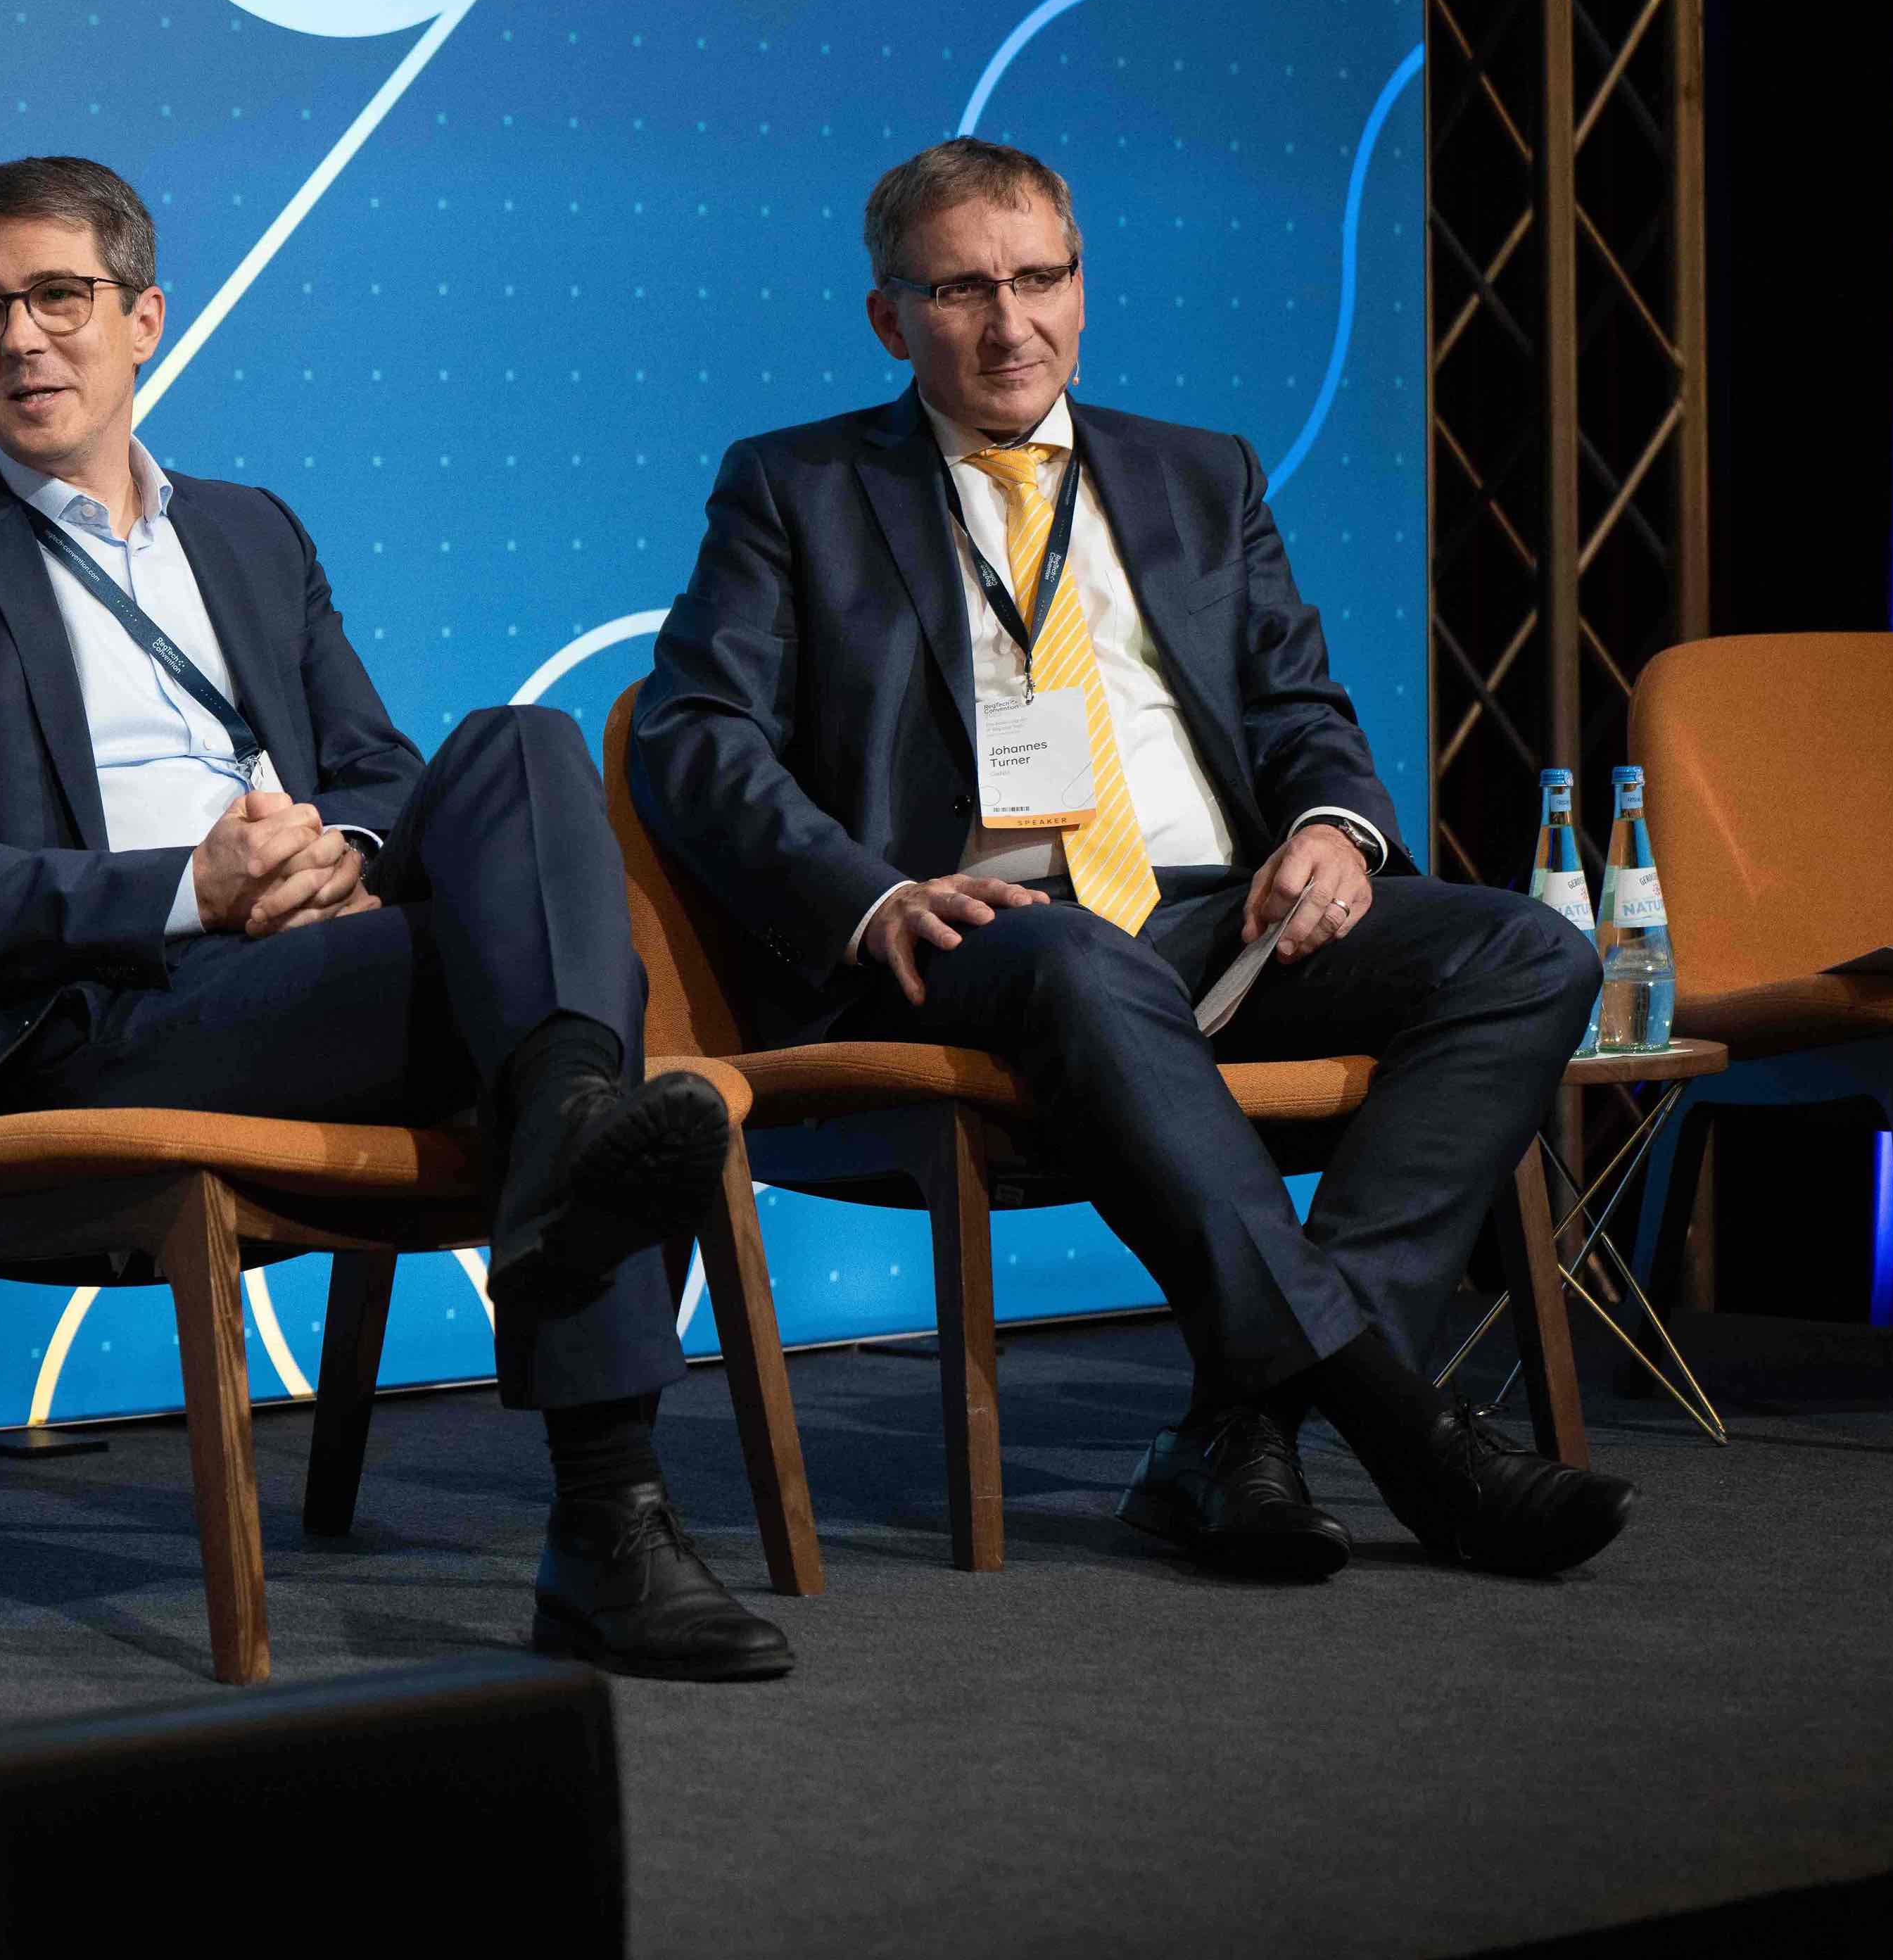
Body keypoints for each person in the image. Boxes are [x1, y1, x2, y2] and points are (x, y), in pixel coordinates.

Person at [0, 156, 794, 1682]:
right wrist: (200, 884)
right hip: (86, 1029)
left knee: (517, 749)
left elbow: (382, 772)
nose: (21, 340)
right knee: (543, 1023)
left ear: (143, 318)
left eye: (60, 298)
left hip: (319, 965)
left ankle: (574, 1126)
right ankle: (609, 1515)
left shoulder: (251, 531)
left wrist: (338, 852)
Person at [630, 137, 1633, 1583]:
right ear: (888, 317)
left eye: (1041, 279)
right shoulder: (797, 487)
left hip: (1220, 921)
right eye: (963, 288)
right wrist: (877, 895)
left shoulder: (1198, 473)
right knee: (1070, 946)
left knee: (1528, 947)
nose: (1010, 322)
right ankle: (1409, 1427)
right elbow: (695, 739)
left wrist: (1335, 832)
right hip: (972, 932)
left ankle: (1246, 1425)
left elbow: (1302, 711)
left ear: (1084, 290)